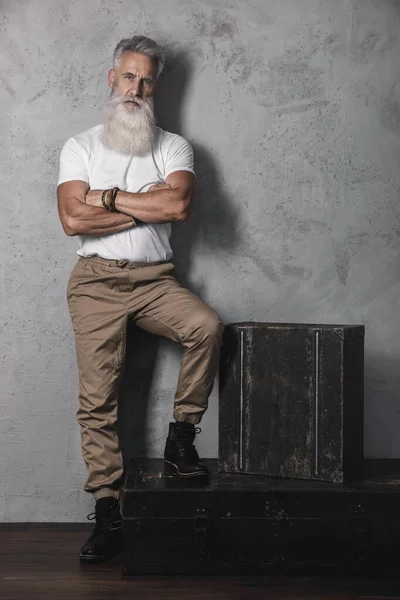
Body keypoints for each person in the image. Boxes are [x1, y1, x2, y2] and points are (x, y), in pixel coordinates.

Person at [57, 35, 223, 563]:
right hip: (95, 282)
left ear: (156, 86)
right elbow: (71, 219)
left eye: (147, 79)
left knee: (207, 326)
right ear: (112, 79)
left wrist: (104, 199)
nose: (137, 88)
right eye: (128, 77)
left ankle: (181, 438)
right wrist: (140, 204)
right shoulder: (79, 145)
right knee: (98, 402)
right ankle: (108, 513)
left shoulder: (174, 146)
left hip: (155, 281)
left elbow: (176, 205)